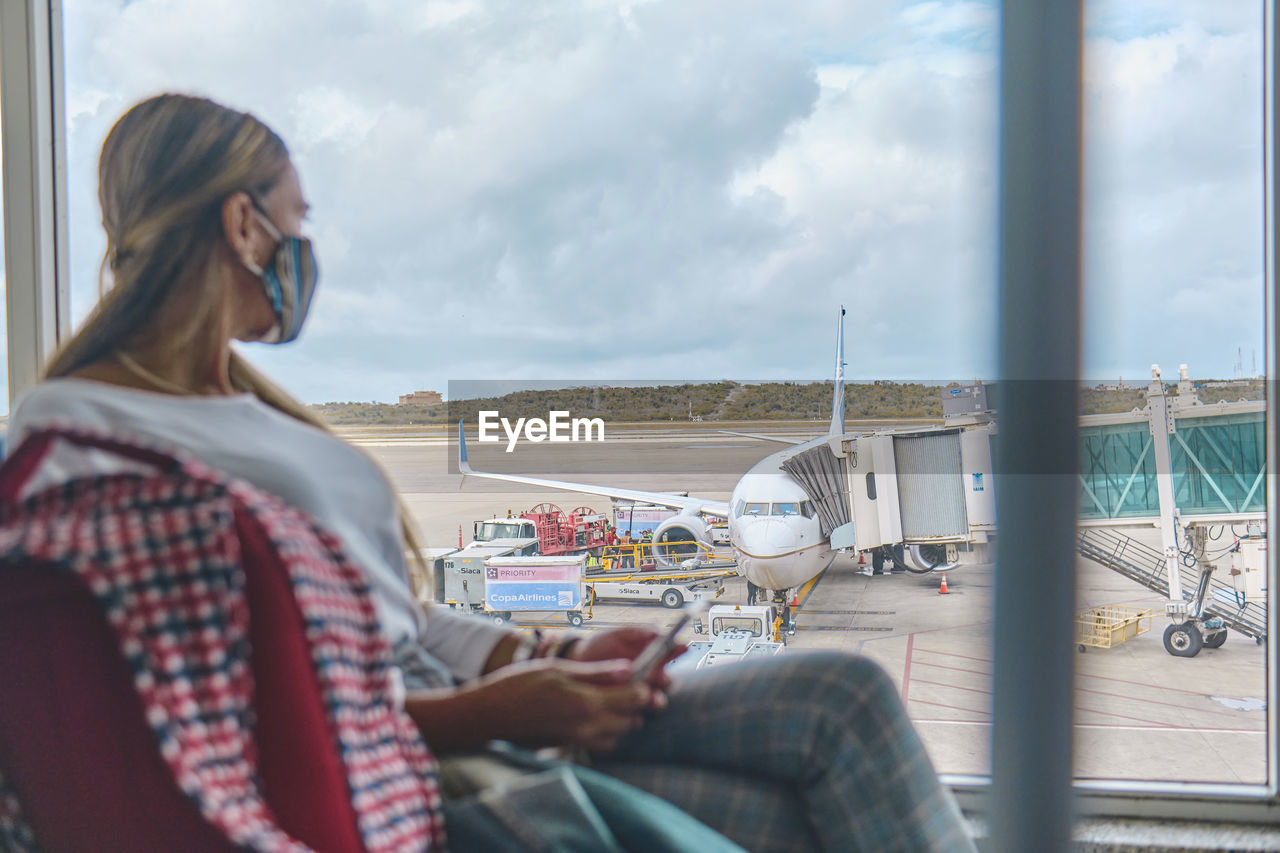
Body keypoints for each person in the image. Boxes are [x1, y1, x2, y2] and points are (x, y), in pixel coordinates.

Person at [7, 93, 975, 852]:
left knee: (837, 711)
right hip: (403, 761)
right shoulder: (83, 450)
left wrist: (540, 654)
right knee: (830, 743)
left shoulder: (230, 408)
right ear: (242, 225)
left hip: (462, 710)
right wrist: (490, 710)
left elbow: (395, 614)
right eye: (298, 219)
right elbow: (223, 716)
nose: (308, 249)